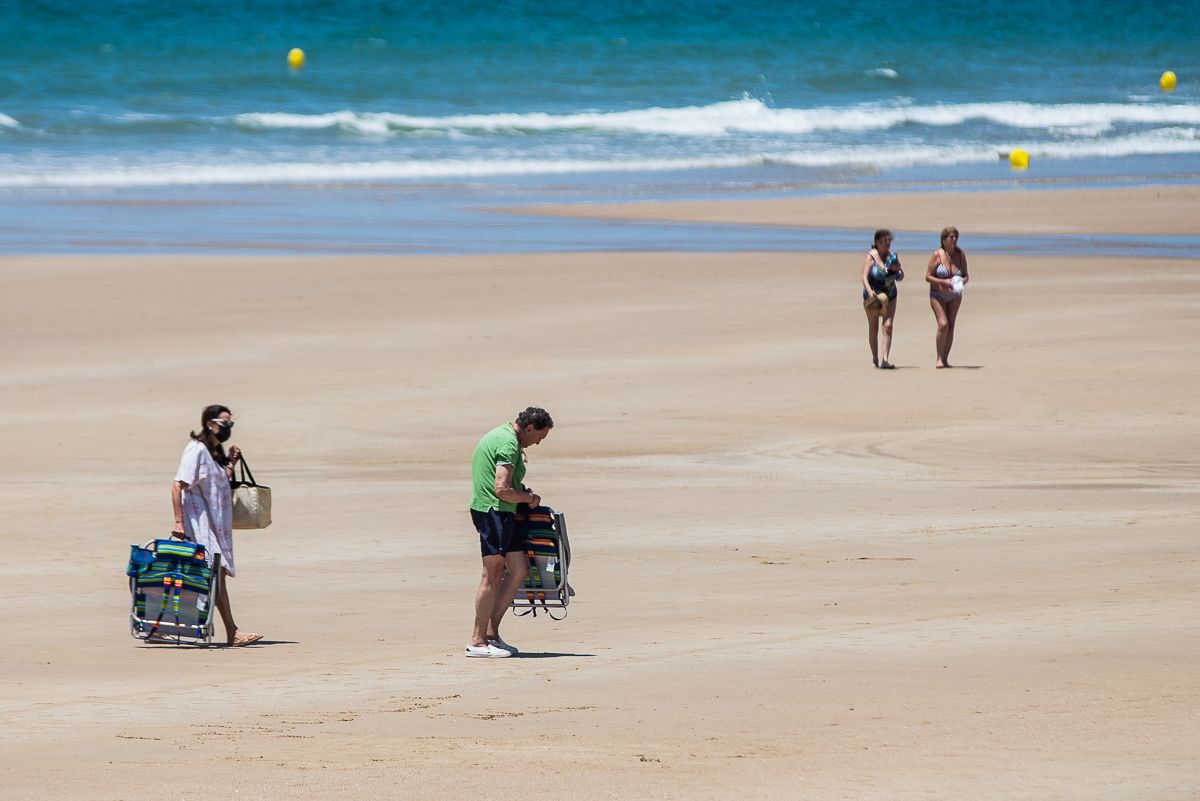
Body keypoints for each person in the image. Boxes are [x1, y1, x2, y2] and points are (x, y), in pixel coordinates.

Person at [170, 404, 262, 647]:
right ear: (210, 424)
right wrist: (179, 522)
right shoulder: (196, 449)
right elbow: (177, 485)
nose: (228, 427)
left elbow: (218, 481)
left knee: (213, 574)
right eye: (224, 423)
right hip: (199, 522)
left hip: (216, 524)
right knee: (215, 572)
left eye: (231, 423)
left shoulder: (214, 451)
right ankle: (232, 631)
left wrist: (231, 462)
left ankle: (200, 625)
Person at [466, 406, 554, 658]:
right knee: (492, 574)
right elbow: (502, 490)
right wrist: (528, 498)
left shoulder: (504, 435)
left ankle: (491, 634)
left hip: (504, 512)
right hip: (493, 511)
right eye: (539, 437)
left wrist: (521, 491)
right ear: (529, 428)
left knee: (519, 569)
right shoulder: (508, 443)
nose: (537, 442)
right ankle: (477, 642)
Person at [926, 226, 970, 368]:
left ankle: (945, 359)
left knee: (951, 325)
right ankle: (939, 357)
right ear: (944, 239)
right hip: (937, 294)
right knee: (943, 324)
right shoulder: (937, 255)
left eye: (956, 237)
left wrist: (961, 282)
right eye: (951, 237)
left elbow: (966, 275)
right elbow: (928, 277)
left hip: (955, 295)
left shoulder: (960, 254)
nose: (954, 240)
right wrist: (943, 282)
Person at [861, 229, 904, 368]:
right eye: (884, 241)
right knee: (873, 327)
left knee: (887, 326)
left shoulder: (892, 256)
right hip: (873, 296)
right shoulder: (871, 256)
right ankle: (875, 358)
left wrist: (898, 269)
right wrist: (869, 291)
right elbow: (864, 277)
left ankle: (885, 359)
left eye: (889, 241)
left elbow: (901, 276)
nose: (887, 243)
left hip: (890, 294)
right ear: (877, 242)